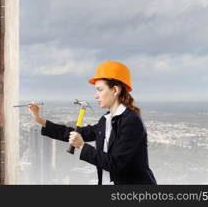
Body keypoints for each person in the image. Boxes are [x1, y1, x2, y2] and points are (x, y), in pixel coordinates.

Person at [28, 61, 157, 185]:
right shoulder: (105, 120)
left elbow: (117, 164)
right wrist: (40, 119)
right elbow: (75, 133)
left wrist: (82, 146)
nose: (96, 96)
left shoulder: (131, 121)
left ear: (115, 91)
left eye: (100, 90)